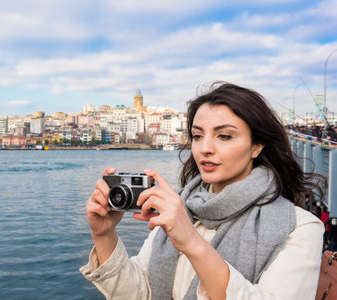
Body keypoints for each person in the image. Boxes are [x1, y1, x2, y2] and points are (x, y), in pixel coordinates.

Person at [80, 82, 325, 299]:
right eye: (197, 136)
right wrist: (104, 235)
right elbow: (140, 293)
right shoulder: (180, 209)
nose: (205, 148)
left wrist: (191, 241)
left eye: (225, 136)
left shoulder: (300, 227)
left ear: (256, 147)